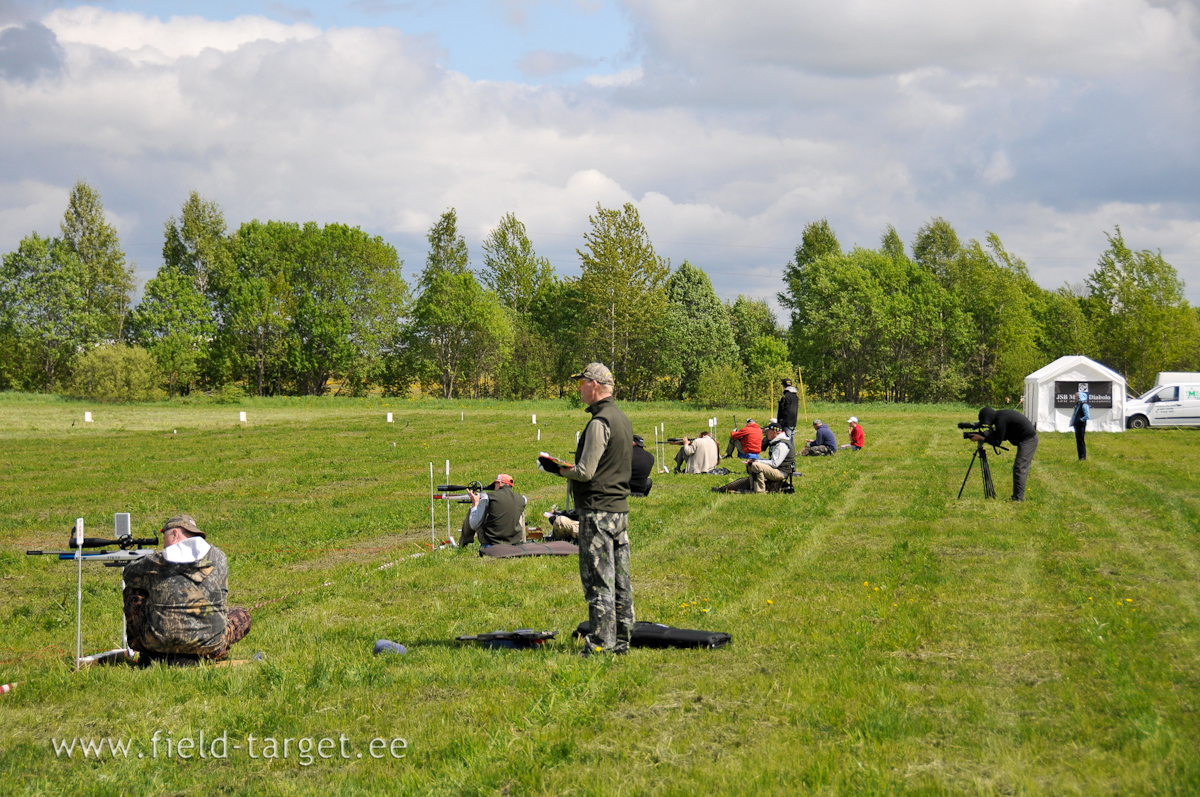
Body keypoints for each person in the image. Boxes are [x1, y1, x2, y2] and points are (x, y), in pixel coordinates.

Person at [555, 363, 635, 656]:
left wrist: (559, 469)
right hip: (619, 510)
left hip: (598, 510)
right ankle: (623, 640)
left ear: (595, 385)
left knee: (599, 579)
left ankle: (601, 644)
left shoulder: (600, 421)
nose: (578, 388)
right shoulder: (623, 419)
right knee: (621, 581)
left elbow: (586, 471)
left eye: (582, 382)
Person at [122, 514, 250, 664]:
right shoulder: (219, 557)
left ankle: (145, 649)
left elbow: (128, 574)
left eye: (165, 539)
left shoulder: (155, 562)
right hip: (211, 645)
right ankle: (213, 648)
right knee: (242, 615)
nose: (163, 545)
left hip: (158, 643)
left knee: (133, 590)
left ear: (175, 534)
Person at [969, 406, 1039, 501]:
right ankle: (1017, 497)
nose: (988, 425)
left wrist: (981, 438)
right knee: (1019, 467)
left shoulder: (1001, 420)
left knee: (1019, 467)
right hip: (1024, 438)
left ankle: (1018, 499)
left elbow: (997, 442)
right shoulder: (999, 415)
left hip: (1029, 440)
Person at [713, 425, 797, 493]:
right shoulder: (777, 442)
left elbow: (775, 463)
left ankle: (760, 491)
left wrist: (757, 461)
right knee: (752, 466)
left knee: (756, 465)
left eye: (768, 431)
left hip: (781, 472)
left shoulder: (782, 444)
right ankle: (724, 489)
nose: (766, 433)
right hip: (776, 470)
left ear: (775, 432)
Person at [459, 473, 527, 547]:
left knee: (473, 511)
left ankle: (463, 544)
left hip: (491, 541)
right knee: (520, 514)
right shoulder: (522, 499)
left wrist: (475, 504)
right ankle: (523, 541)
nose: (494, 488)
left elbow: (474, 524)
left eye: (495, 485)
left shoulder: (488, 497)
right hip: (513, 541)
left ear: (500, 483)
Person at [1070, 391, 1090, 461]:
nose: (1075, 399)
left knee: (1081, 441)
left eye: (1076, 397)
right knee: (1078, 441)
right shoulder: (1078, 405)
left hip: (1081, 425)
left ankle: (1083, 457)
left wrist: (1080, 420)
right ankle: (1080, 457)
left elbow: (1087, 416)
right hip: (1077, 425)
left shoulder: (1084, 405)